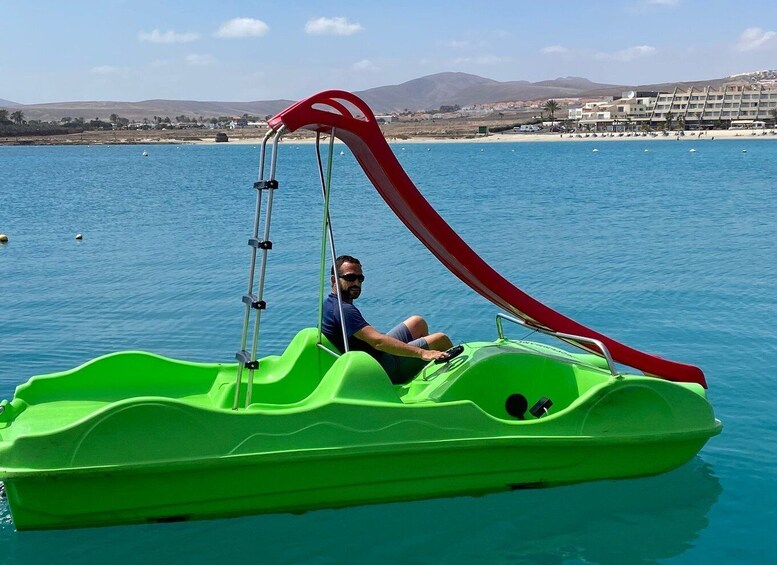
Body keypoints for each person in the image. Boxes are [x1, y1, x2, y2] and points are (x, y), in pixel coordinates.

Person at [321, 255, 453, 384]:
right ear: (334, 280)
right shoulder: (344, 310)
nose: (356, 283)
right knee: (441, 340)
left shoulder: (330, 304)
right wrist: (423, 353)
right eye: (350, 277)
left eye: (360, 278)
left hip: (375, 354)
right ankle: (449, 384)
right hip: (379, 368)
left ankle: (421, 370)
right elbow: (378, 342)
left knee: (418, 322)